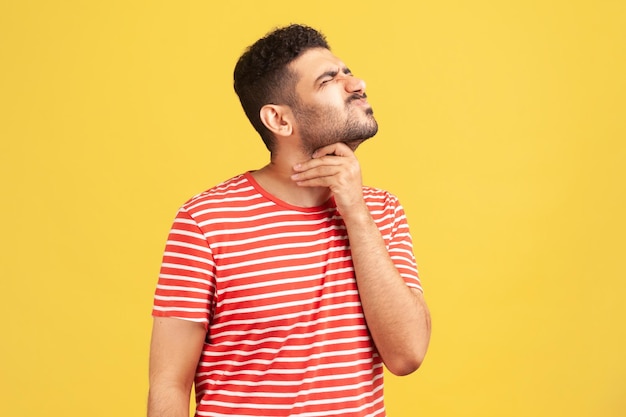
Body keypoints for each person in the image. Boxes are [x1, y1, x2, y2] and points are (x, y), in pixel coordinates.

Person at [148, 24, 431, 417]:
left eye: (347, 71)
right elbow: (169, 384)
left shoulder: (381, 212)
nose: (357, 83)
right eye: (329, 80)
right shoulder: (205, 222)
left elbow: (407, 355)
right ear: (279, 120)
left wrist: (355, 214)